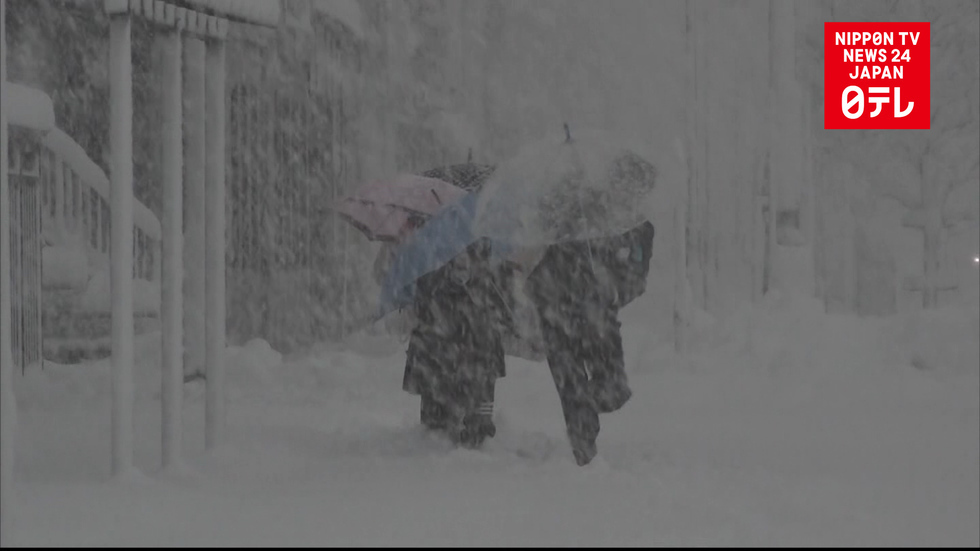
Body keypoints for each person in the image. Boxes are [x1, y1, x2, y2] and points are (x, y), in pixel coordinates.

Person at [524, 220, 654, 466]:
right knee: (568, 380)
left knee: (614, 388)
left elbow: (639, 253)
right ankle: (583, 443)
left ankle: (584, 409)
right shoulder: (551, 209)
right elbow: (531, 253)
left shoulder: (623, 213)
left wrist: (621, 289)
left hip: (598, 308)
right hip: (554, 302)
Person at [402, 239, 513, 448]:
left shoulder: (435, 242)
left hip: (461, 331)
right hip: (455, 330)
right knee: (465, 372)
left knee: (470, 373)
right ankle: (457, 421)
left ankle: (462, 421)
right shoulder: (444, 247)